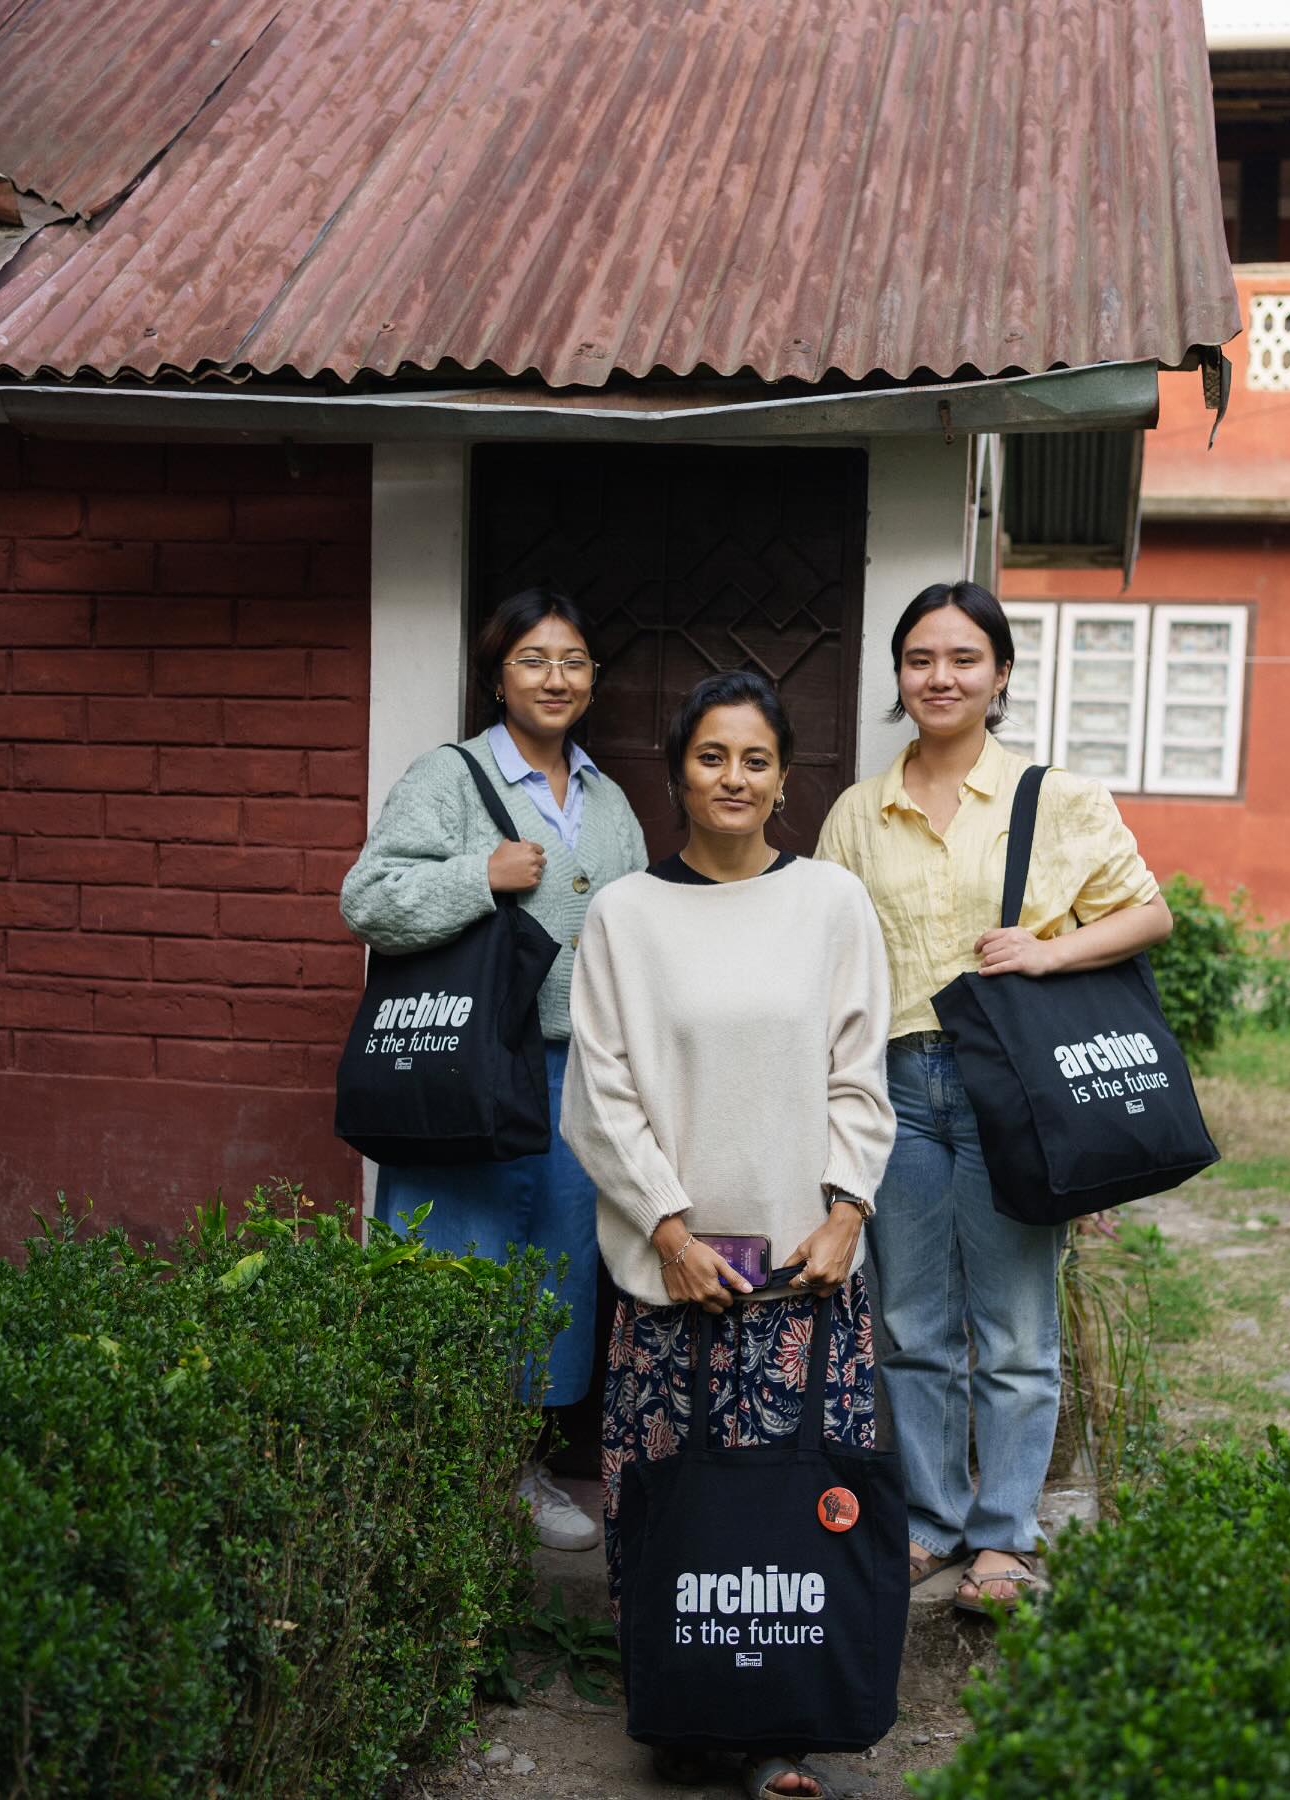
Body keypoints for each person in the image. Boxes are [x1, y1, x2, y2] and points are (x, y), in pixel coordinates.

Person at [560, 671, 895, 1800]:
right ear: (677, 771)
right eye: (711, 757)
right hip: (677, 1274)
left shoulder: (833, 905)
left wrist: (848, 1210)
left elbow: (862, 1077)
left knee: (792, 1508)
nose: (734, 779)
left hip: (805, 1275)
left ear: (785, 775)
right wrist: (663, 1225)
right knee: (679, 1505)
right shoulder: (624, 915)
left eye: (755, 759)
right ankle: (688, 1717)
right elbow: (599, 1093)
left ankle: (783, 1732)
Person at [816, 582, 1172, 1613]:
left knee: (1015, 1328)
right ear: (899, 676)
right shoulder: (856, 814)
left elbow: (1149, 915)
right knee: (913, 1323)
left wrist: (1049, 952)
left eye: (965, 658)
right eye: (921, 658)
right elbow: (829, 960)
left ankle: (1004, 1536)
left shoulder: (1052, 798)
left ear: (1002, 674)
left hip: (1009, 1088)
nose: (941, 677)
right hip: (894, 1088)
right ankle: (931, 1520)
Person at [339, 587, 647, 1551]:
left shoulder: (611, 800)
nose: (555, 677)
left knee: (553, 1274)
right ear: (498, 673)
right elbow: (369, 898)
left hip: (573, 1077)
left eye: (573, 660)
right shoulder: (449, 776)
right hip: (470, 1066)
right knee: (453, 1266)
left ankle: (513, 1470)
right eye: (533, 659)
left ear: (594, 680)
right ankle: (431, 1476)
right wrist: (480, 876)